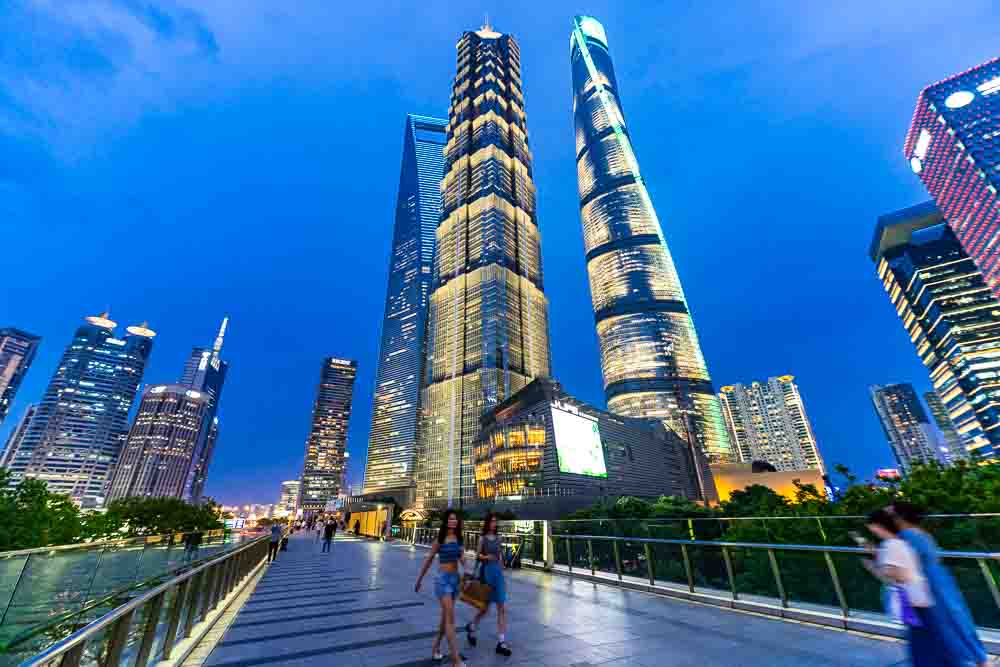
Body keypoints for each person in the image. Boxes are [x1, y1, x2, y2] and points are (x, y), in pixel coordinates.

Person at [891, 501, 990, 667]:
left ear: (900, 517)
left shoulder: (904, 537)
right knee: (956, 621)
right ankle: (977, 658)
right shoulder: (923, 534)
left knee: (935, 628)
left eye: (891, 516)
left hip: (924, 587)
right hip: (941, 581)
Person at [861, 510, 952, 666]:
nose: (872, 530)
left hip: (912, 600)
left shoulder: (891, 545)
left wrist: (872, 567)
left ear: (878, 526)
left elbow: (895, 574)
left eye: (872, 527)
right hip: (919, 596)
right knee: (927, 639)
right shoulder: (900, 542)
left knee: (922, 644)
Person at [415, 509, 467, 667]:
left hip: (455, 581)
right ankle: (456, 660)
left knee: (445, 619)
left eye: (455, 519)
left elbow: (462, 558)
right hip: (442, 581)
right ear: (446, 521)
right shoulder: (440, 539)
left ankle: (436, 646)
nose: (453, 521)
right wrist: (419, 580)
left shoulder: (459, 539)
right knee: (451, 618)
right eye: (451, 519)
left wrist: (469, 570)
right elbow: (429, 559)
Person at [465, 512, 511, 656]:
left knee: (502, 608)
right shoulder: (483, 539)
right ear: (487, 523)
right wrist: (486, 556)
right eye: (491, 521)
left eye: (495, 522)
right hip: (487, 573)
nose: (494, 524)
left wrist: (502, 563)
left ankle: (501, 642)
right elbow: (477, 556)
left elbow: (500, 555)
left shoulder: (499, 538)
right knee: (484, 608)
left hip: (498, 574)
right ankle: (472, 626)